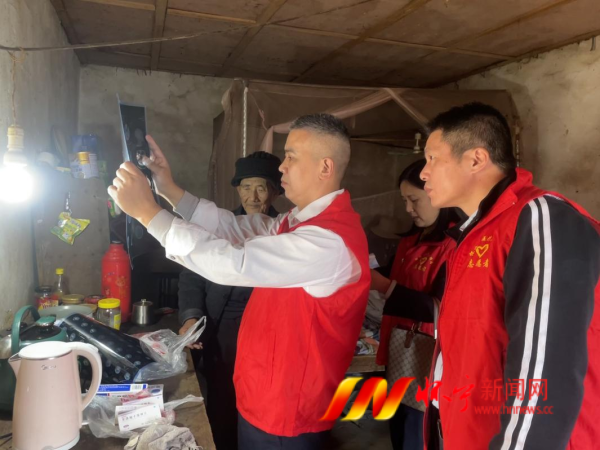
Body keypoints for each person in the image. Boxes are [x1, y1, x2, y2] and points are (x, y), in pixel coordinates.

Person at [107, 113, 370, 449]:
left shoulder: (328, 242)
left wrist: (147, 213)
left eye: (291, 157)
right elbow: (233, 227)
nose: (282, 167)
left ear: (325, 167)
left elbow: (233, 262)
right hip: (265, 394)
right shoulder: (295, 222)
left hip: (287, 412)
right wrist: (167, 189)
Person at [419, 102, 600, 449]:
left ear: (476, 159)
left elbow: (546, 363)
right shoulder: (472, 235)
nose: (423, 173)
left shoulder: (541, 219)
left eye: (432, 159)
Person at [178, 150, 282, 450]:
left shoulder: (285, 232)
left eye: (261, 187)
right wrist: (191, 316)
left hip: (263, 335)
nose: (253, 196)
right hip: (219, 328)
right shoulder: (219, 226)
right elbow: (191, 274)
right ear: (237, 188)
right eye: (246, 186)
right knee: (220, 400)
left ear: (275, 191)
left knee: (256, 405)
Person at [370, 159, 457, 450]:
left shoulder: (454, 245)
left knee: (417, 432)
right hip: (399, 350)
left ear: (439, 193)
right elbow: (399, 277)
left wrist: (383, 286)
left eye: (414, 200)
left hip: (425, 357)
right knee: (399, 428)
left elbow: (440, 309)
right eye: (404, 200)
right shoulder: (412, 240)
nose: (408, 208)